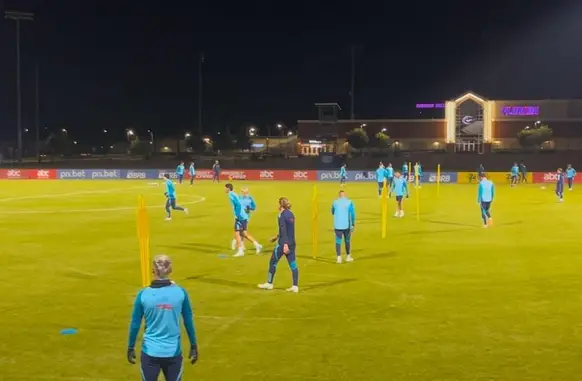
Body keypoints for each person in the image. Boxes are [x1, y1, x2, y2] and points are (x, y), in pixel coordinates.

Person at [127, 254, 198, 381]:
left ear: (153, 270)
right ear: (170, 270)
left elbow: (135, 323)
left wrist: (131, 346)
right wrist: (193, 345)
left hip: (150, 352)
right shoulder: (180, 293)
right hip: (173, 353)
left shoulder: (143, 295)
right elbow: (188, 320)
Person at [258, 197, 299, 293]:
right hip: (292, 243)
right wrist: (277, 236)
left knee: (273, 262)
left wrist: (284, 244)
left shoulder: (281, 215)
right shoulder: (291, 214)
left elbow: (284, 229)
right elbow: (289, 230)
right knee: (293, 264)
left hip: (283, 244)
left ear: (280, 205)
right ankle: (295, 286)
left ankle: (269, 283)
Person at [230, 187, 262, 254]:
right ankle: (241, 246)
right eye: (243, 192)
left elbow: (254, 208)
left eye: (245, 192)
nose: (244, 194)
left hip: (245, 218)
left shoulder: (250, 199)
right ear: (241, 192)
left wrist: (249, 208)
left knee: (243, 233)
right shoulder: (239, 198)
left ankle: (238, 243)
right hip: (239, 217)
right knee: (241, 232)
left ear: (247, 192)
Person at [225, 183, 250, 257]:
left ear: (228, 189)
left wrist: (237, 215)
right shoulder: (233, 194)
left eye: (225, 188)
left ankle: (240, 250)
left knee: (238, 233)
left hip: (240, 216)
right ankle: (242, 247)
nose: (224, 189)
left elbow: (238, 204)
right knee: (241, 233)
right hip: (242, 216)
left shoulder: (231, 195)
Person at [331, 190, 355, 264]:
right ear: (344, 195)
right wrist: (353, 224)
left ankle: (339, 258)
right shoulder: (349, 202)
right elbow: (353, 214)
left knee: (338, 241)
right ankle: (348, 256)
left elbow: (332, 212)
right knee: (347, 241)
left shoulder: (335, 202)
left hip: (338, 225)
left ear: (339, 196)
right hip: (346, 225)